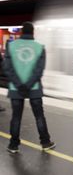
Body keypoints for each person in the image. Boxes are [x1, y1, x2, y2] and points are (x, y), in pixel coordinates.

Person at [2, 22, 55, 153]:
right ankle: (45, 142)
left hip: (15, 89)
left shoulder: (11, 46)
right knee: (39, 116)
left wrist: (19, 85)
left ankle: (13, 145)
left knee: (16, 117)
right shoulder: (39, 47)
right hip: (34, 88)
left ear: (21, 32)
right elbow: (39, 70)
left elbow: (7, 68)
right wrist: (28, 85)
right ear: (33, 32)